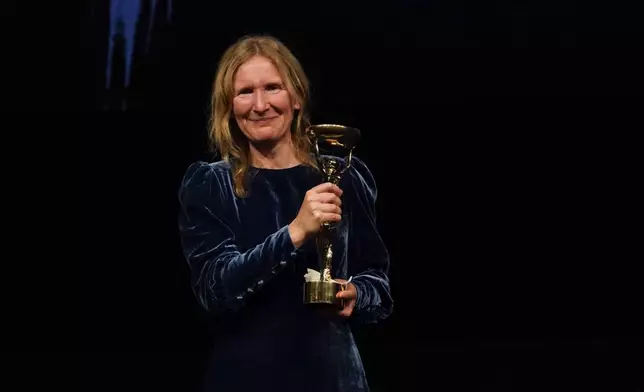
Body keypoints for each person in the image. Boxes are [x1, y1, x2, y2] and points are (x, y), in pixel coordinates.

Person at [177, 34, 393, 392]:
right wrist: (295, 232)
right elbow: (214, 290)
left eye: (272, 88)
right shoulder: (210, 183)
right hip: (247, 376)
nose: (260, 105)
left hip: (332, 376)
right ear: (229, 105)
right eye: (245, 92)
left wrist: (355, 292)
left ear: (296, 97)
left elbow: (379, 284)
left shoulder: (343, 175)